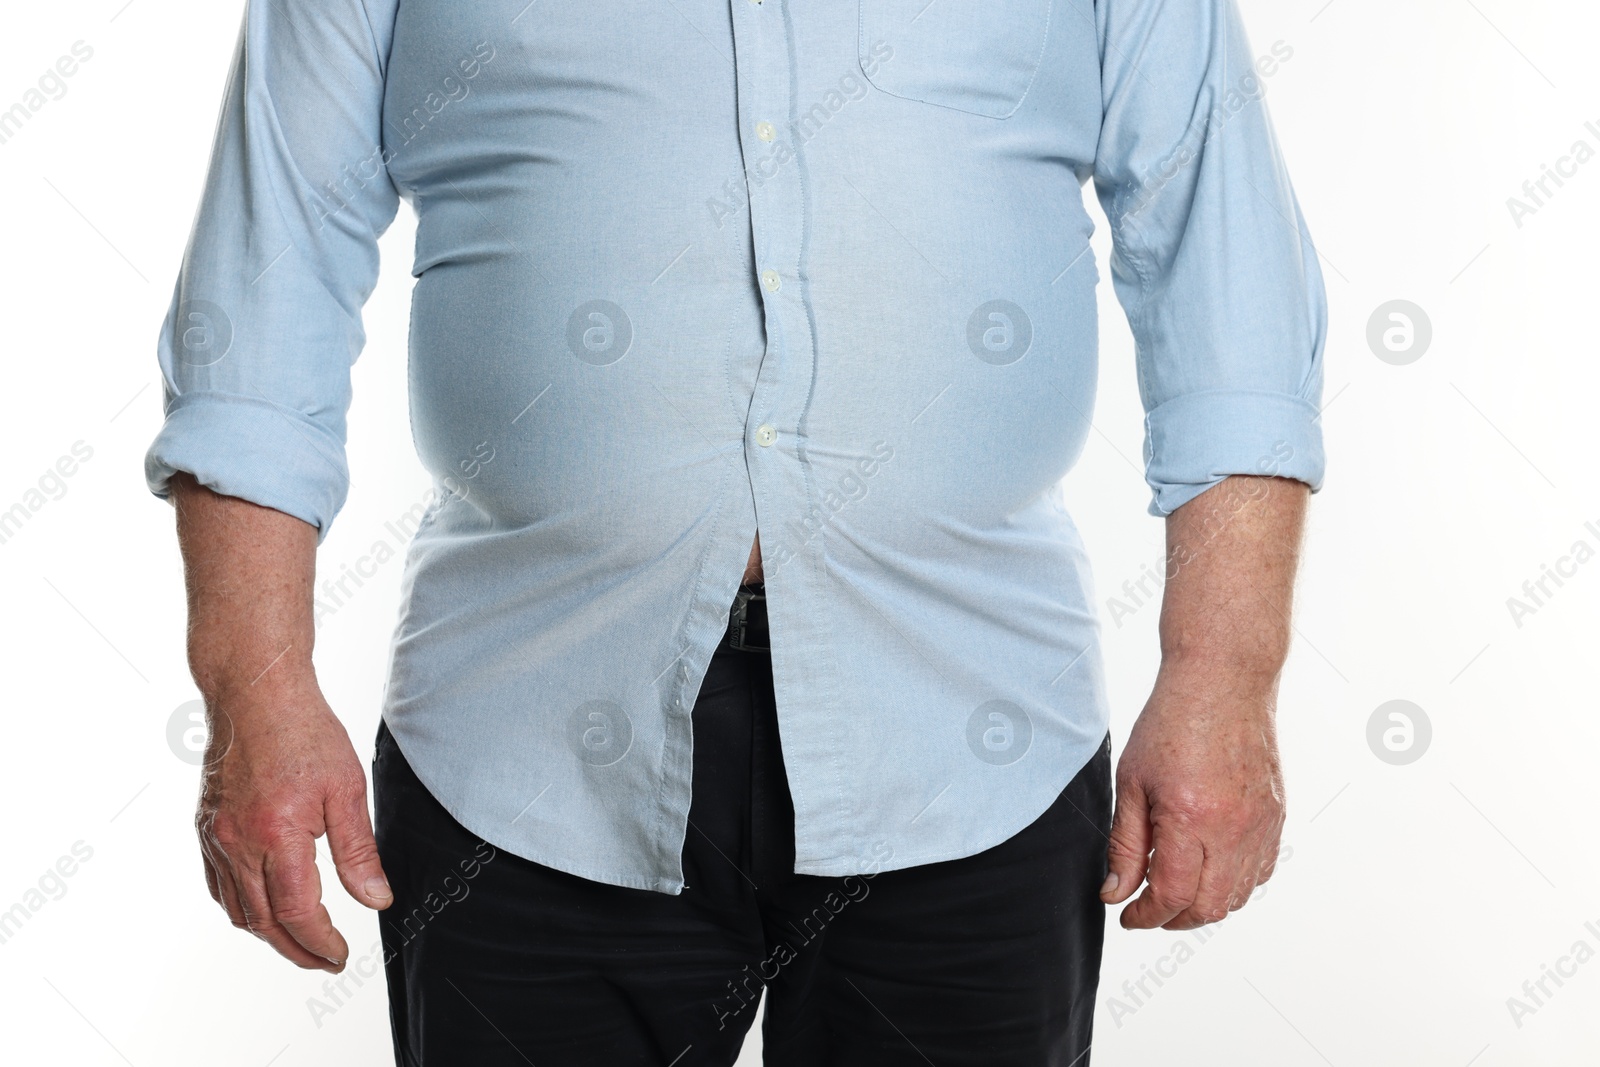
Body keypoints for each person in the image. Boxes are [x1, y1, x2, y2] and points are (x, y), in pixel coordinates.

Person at [146, 0, 1324, 1062]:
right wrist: (255, 693)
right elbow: (262, 298)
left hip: (977, 728)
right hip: (519, 740)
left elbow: (1229, 300)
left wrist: (1223, 678)